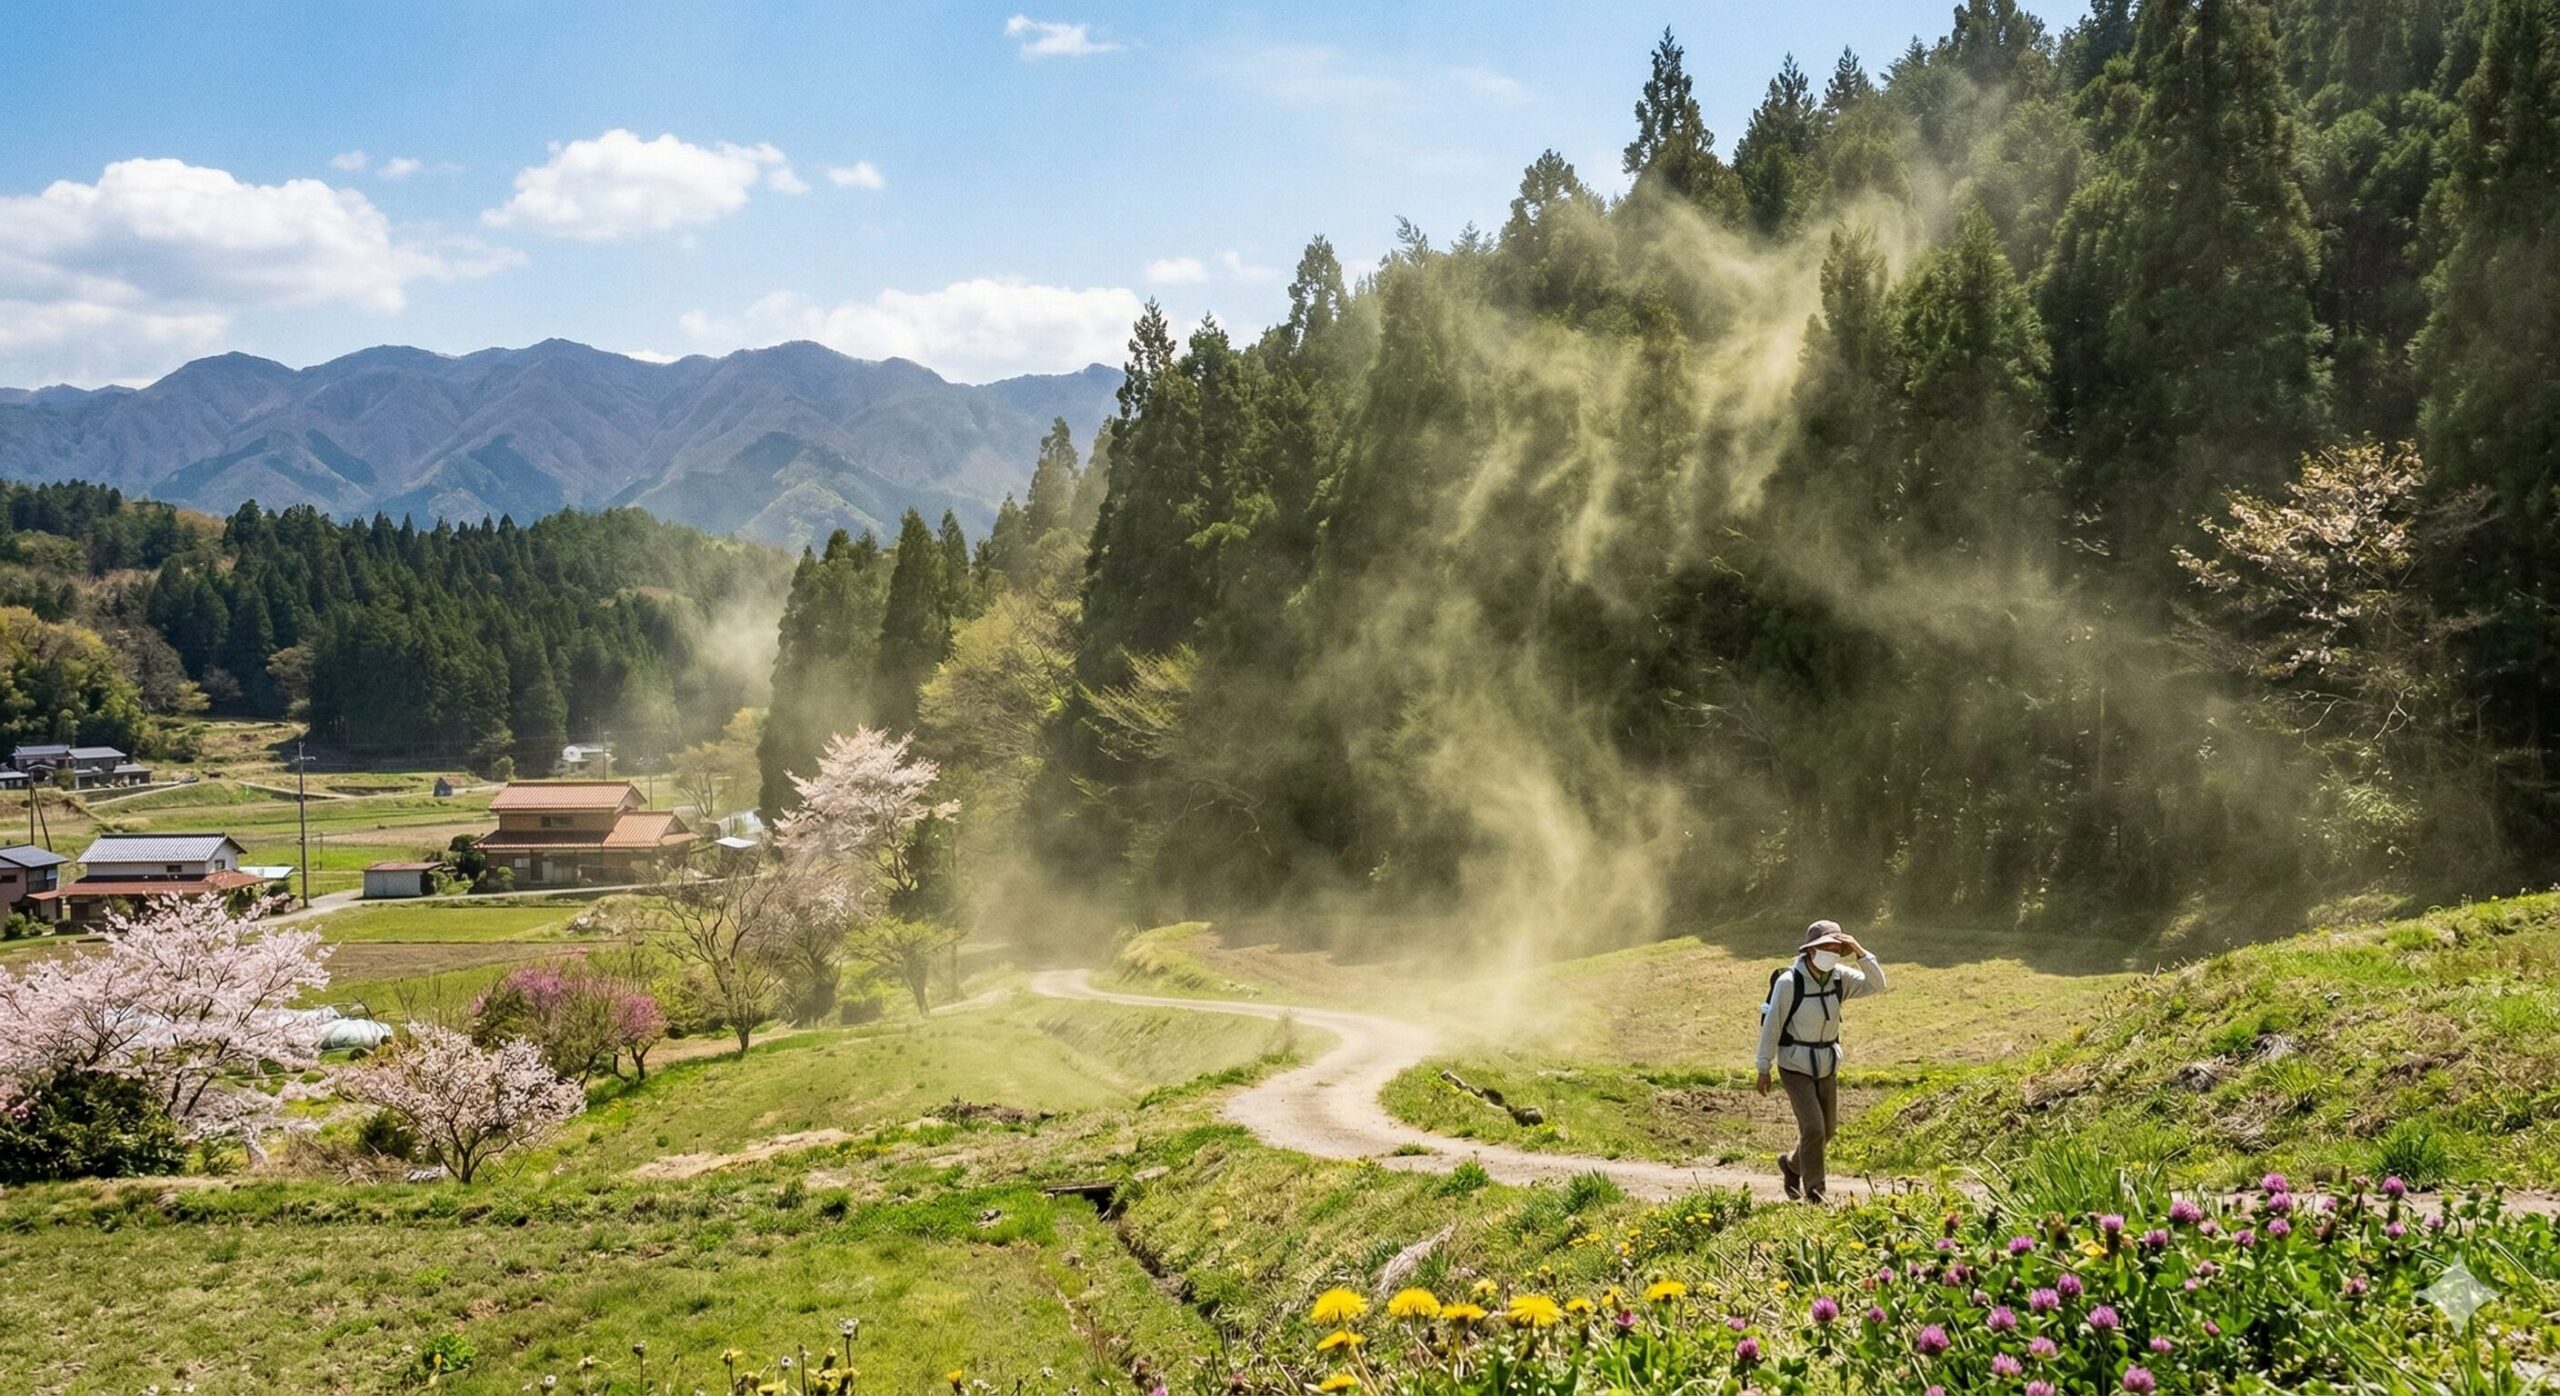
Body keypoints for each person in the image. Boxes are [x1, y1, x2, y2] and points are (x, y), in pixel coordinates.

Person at [1754, 919, 1887, 1203]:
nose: (1832, 953)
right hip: (1795, 1066)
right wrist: (1763, 1067)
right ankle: (1816, 1192)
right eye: (1826, 947)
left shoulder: (1840, 978)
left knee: (1827, 1131)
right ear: (1810, 950)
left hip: (1827, 1064)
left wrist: (1860, 951)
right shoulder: (1789, 983)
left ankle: (1791, 1165)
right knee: (1813, 1128)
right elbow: (1772, 1026)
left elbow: (1877, 984)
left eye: (1837, 948)